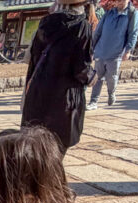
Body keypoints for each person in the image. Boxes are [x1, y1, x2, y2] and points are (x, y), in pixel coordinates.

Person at [22, 0, 94, 153]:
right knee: (56, 149)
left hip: (38, 94)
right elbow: (81, 68)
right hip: (63, 99)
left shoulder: (45, 23)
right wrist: (92, 77)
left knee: (33, 146)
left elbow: (33, 58)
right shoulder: (82, 26)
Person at [87, 0, 138, 110]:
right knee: (97, 77)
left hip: (116, 52)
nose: (119, 2)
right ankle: (93, 101)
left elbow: (133, 32)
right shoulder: (109, 13)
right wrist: (92, 48)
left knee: (111, 78)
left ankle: (111, 93)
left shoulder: (132, 13)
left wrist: (128, 50)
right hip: (101, 50)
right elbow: (98, 32)